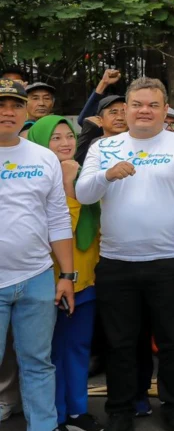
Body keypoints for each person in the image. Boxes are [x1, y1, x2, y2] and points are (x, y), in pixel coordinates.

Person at [76, 77, 174, 431]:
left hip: (171, 262)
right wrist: (106, 175)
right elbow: (84, 193)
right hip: (117, 263)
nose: (144, 111)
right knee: (120, 344)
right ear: (126, 110)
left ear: (165, 110)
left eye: (152, 105)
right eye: (137, 104)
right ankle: (120, 411)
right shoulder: (105, 148)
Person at [0, 81, 77, 431]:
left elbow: (58, 218)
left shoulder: (43, 157)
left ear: (25, 111)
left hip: (37, 279)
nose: (8, 111)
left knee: (38, 364)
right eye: (1, 105)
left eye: (16, 105)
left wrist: (67, 275)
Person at [28, 115, 101, 431]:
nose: (65, 143)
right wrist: (68, 188)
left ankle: (77, 411)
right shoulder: (36, 183)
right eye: (55, 138)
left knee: (78, 348)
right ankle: (53, 416)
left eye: (69, 136)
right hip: (52, 281)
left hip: (87, 281)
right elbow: (60, 232)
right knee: (50, 355)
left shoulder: (85, 175)